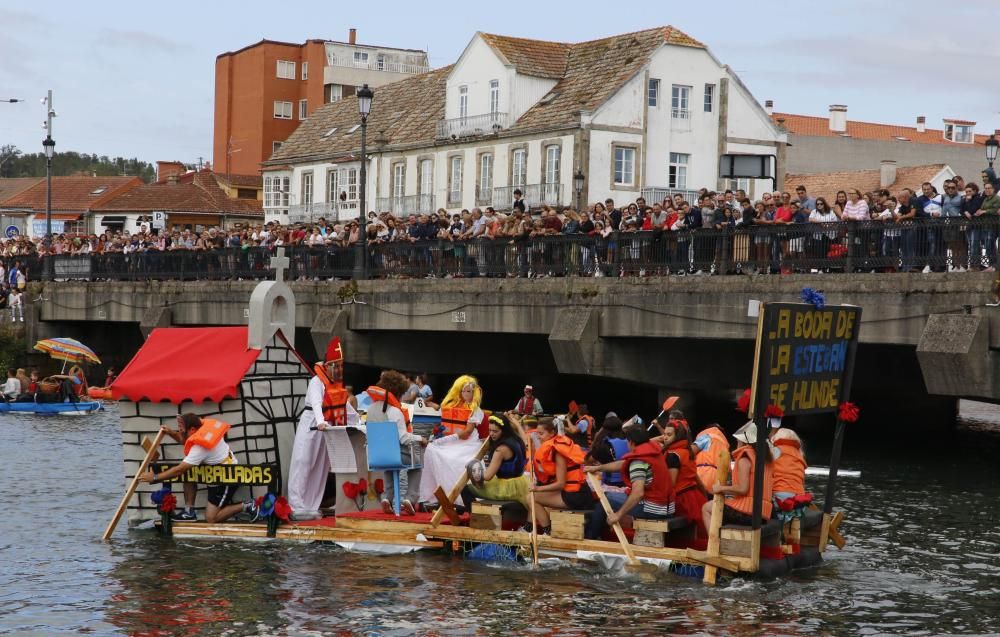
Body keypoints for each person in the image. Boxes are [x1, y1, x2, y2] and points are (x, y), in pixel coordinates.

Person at [138, 413, 259, 524]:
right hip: (214, 472)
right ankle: (189, 512)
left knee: (211, 518)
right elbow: (185, 439)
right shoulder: (201, 429)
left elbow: (179, 470)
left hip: (226, 476)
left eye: (182, 431)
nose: (179, 432)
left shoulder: (200, 447)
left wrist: (154, 477)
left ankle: (248, 505)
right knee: (188, 473)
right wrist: (170, 432)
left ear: (192, 430)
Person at [288, 337, 358, 520]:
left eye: (341, 365)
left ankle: (311, 505)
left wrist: (359, 421)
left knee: (320, 467)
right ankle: (296, 505)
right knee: (303, 462)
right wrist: (320, 421)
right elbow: (317, 404)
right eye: (336, 366)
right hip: (312, 425)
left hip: (326, 431)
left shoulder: (336, 385)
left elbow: (345, 408)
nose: (339, 369)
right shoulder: (316, 382)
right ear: (327, 366)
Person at [583, 426, 674, 540]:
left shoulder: (638, 461)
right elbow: (623, 464)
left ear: (630, 442)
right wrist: (598, 468)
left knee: (604, 498)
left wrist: (618, 514)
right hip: (667, 507)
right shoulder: (653, 451)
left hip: (653, 509)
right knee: (611, 496)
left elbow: (638, 493)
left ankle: (591, 537)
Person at [418, 375, 484, 509]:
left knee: (454, 460)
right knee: (431, 450)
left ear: (474, 392)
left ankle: (458, 498)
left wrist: (449, 437)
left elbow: (467, 432)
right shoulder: (452, 407)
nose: (465, 394)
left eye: (469, 391)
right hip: (451, 440)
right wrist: (440, 435)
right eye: (463, 391)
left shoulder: (475, 411)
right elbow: (443, 425)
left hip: (467, 443)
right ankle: (432, 496)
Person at [366, 370, 426, 515]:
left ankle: (387, 497)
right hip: (395, 455)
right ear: (398, 391)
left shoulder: (371, 409)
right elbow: (403, 438)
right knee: (418, 461)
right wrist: (420, 439)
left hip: (376, 456)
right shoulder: (394, 411)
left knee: (389, 461)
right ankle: (410, 498)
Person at [701, 421, 774, 531]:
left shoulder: (745, 459)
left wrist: (721, 488)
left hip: (749, 513)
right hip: (763, 513)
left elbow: (743, 489)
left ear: (744, 442)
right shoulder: (765, 458)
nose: (737, 443)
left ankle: (715, 545)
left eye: (738, 441)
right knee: (723, 506)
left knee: (706, 508)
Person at [530, 419, 592, 535]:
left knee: (531, 498)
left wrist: (537, 488)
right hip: (574, 492)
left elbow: (560, 483)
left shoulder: (558, 451)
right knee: (535, 495)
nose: (538, 437)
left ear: (552, 433)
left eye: (541, 433)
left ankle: (547, 532)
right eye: (537, 433)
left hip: (576, 495)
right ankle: (539, 529)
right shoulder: (556, 446)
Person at [461, 413, 529, 508]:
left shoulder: (500, 450)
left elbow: (488, 476)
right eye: (490, 430)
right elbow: (525, 440)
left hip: (507, 489)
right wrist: (517, 424)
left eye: (495, 431)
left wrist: (474, 469)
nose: (491, 434)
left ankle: (476, 516)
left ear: (503, 431)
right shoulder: (518, 440)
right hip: (520, 483)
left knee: (465, 489)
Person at [657, 419, 709, 537]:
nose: (665, 437)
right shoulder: (687, 451)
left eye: (669, 435)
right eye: (664, 434)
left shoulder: (672, 455)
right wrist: (704, 497)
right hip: (695, 496)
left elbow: (671, 484)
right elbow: (697, 480)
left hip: (682, 500)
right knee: (699, 535)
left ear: (678, 436)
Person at [771, 428, 807, 503]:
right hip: (799, 496)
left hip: (778, 493)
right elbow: (802, 481)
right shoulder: (800, 455)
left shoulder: (774, 451)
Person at [693, 424, 730, 491]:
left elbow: (690, 451)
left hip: (701, 475)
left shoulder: (707, 436)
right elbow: (728, 469)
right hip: (718, 481)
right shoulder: (725, 445)